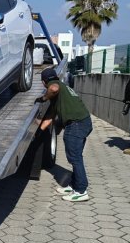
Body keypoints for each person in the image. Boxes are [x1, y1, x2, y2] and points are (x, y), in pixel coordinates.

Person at [35, 67, 93, 202]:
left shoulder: (54, 86)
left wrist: (43, 98)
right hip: (83, 122)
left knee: (75, 157)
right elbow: (51, 116)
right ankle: (74, 185)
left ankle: (81, 191)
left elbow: (53, 89)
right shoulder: (62, 90)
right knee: (76, 156)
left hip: (76, 124)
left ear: (44, 82)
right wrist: (39, 131)